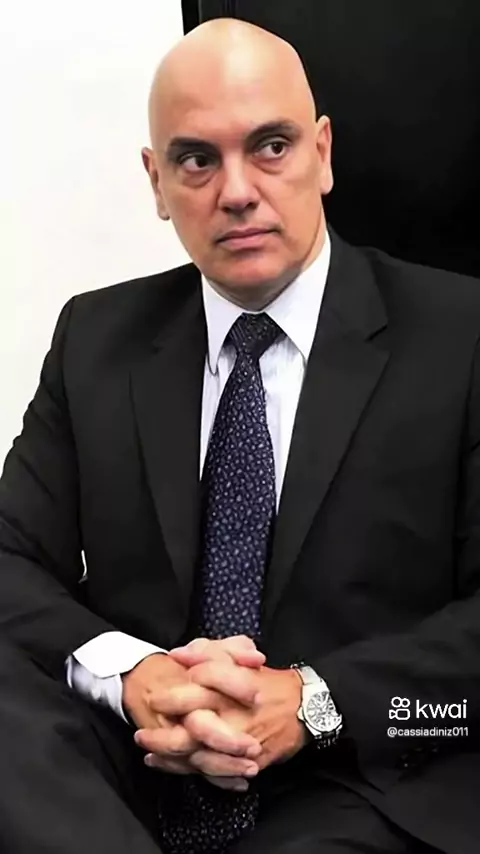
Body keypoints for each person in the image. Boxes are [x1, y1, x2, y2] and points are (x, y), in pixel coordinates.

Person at [0, 15, 479, 854]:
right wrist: (133, 674)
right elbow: (9, 560)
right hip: (129, 774)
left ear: (322, 153)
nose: (236, 191)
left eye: (271, 147)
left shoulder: (462, 335)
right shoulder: (96, 340)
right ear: (156, 182)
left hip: (363, 774)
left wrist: (313, 703)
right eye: (196, 160)